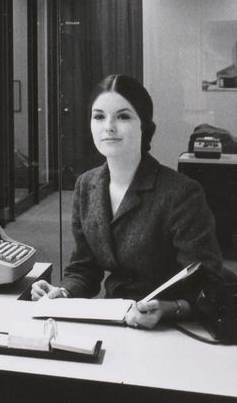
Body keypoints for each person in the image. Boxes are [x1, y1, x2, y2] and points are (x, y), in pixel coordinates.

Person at [31, 73, 223, 328]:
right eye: (99, 116)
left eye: (123, 116)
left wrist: (168, 309)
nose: (108, 126)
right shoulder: (86, 186)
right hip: (116, 319)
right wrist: (63, 293)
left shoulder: (181, 193)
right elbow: (83, 270)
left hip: (174, 326)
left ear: (144, 126)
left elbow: (209, 282)